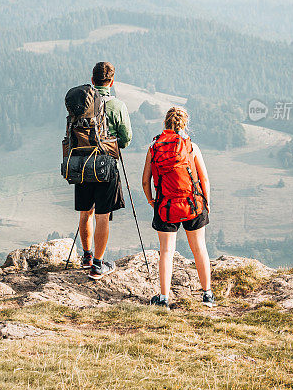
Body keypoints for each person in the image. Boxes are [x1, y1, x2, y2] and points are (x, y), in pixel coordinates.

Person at [142, 106, 215, 308]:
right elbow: (204, 179)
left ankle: (164, 298)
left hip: (165, 205)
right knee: (199, 248)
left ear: (165, 123)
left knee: (166, 251)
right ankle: (207, 294)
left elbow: (145, 180)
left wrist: (152, 201)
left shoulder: (154, 147)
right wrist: (206, 203)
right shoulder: (191, 147)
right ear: (185, 124)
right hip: (193, 203)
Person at [76, 61, 132, 280]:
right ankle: (98, 266)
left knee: (85, 212)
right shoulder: (117, 105)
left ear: (92, 79)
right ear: (111, 81)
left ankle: (87, 256)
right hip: (105, 165)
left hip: (80, 164)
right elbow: (126, 140)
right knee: (102, 216)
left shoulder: (81, 102)